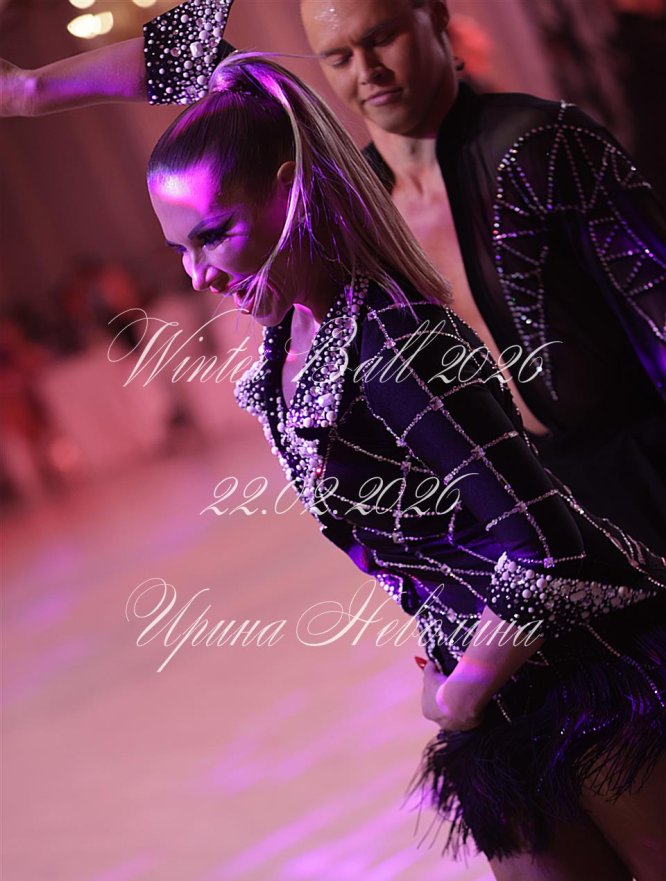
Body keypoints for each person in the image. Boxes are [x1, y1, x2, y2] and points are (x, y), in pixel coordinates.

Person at [140, 48, 666, 881]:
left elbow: (553, 546)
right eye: (178, 246)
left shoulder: (391, 339)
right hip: (501, 701)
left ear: (292, 188)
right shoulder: (285, 356)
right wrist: (33, 92)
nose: (199, 272)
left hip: (600, 675)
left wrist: (462, 688)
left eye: (214, 233)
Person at [2, 0, 665, 554]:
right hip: (514, 529)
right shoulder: (352, 204)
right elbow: (214, 62)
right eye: (338, 56)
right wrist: (28, 92)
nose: (367, 71)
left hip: (633, 490)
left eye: (382, 37)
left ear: (435, 16)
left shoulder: (537, 145)